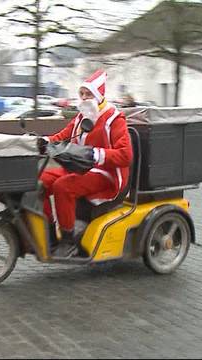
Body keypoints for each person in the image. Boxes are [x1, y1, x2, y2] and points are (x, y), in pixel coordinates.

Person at [36, 70, 133, 258]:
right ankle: (48, 235)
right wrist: (45, 141)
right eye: (82, 94)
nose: (84, 98)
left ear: (98, 95)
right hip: (79, 167)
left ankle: (68, 241)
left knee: (63, 187)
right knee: (39, 181)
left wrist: (96, 154)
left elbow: (125, 155)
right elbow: (63, 135)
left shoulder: (114, 119)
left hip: (104, 173)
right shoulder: (82, 117)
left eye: (88, 94)